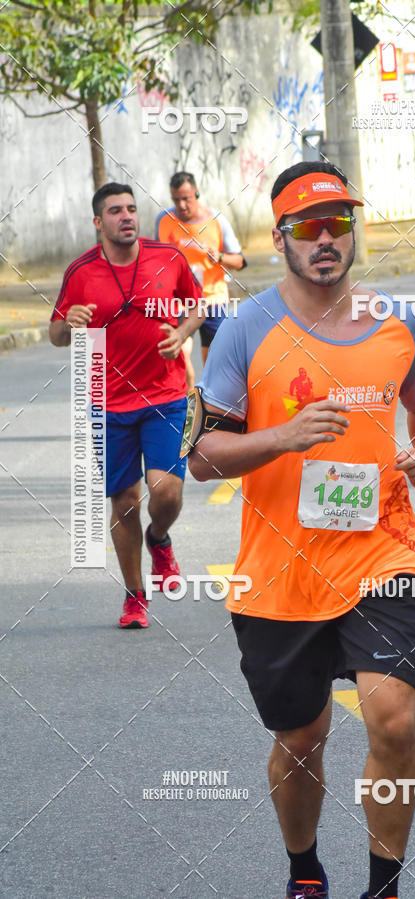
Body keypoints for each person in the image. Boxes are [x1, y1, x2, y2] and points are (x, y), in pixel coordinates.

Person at [187, 161, 415, 899]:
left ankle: (385, 884)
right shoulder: (244, 330)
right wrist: (285, 436)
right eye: (308, 226)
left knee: (394, 723)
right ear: (280, 239)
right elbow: (203, 454)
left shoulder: (399, 323)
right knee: (301, 741)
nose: (326, 237)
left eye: (338, 222)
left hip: (383, 551)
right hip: (279, 572)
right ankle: (305, 869)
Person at [50, 183, 203, 629]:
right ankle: (135, 595)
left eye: (132, 209)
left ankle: (160, 538)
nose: (127, 216)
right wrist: (69, 323)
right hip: (108, 403)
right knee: (124, 504)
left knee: (167, 491)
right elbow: (56, 334)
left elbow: (196, 306)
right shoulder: (80, 271)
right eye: (116, 211)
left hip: (165, 396)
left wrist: (183, 333)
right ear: (99, 222)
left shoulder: (168, 258)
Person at [155, 171, 245, 385]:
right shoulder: (164, 220)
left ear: (196, 193)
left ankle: (210, 406)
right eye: (176, 200)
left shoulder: (216, 220)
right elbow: (155, 259)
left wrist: (220, 257)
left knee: (215, 364)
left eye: (186, 199)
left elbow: (240, 262)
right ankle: (188, 406)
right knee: (180, 356)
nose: (182, 205)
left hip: (213, 300)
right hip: (179, 302)